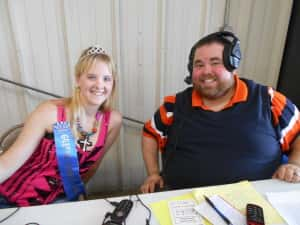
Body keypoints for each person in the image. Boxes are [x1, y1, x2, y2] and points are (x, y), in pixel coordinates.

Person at [140, 31, 300, 193]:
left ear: (233, 65)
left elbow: (298, 135)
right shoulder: (173, 106)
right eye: (199, 65)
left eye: (215, 62)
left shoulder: (268, 100)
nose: (206, 71)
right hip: (184, 204)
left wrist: (294, 164)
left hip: (257, 205)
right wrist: (153, 174)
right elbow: (150, 134)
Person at [0, 45, 122, 207]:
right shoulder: (49, 112)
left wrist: (77, 196)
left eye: (107, 78)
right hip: (12, 200)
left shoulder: (113, 121)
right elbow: (7, 164)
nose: (100, 85)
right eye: (92, 77)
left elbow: (92, 166)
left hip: (59, 201)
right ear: (78, 79)